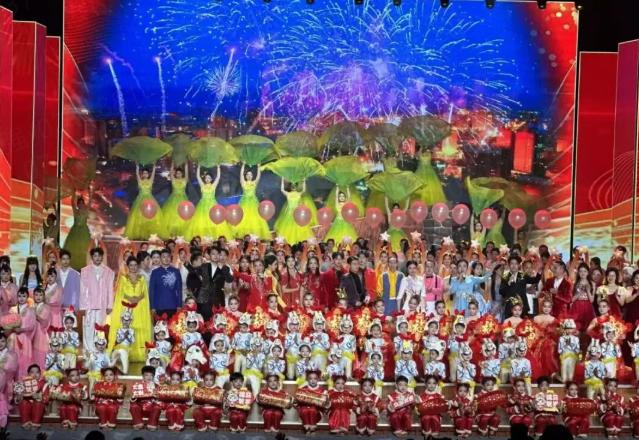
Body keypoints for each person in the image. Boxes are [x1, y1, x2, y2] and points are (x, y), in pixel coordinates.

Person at [108, 256, 152, 362]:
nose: (133, 267)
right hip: (127, 308)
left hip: (139, 307)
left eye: (135, 265)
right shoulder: (123, 278)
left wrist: (137, 299)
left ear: (138, 266)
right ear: (127, 266)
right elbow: (120, 293)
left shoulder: (142, 278)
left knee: (138, 328)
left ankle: (139, 353)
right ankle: (125, 353)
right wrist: (130, 299)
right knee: (128, 327)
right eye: (131, 265)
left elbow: (145, 293)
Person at [80, 247, 115, 353]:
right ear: (92, 257)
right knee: (88, 327)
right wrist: (83, 306)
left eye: (99, 256)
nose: (97, 258)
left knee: (100, 327)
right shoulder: (85, 271)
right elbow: (82, 289)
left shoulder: (109, 272)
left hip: (102, 305)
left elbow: (110, 290)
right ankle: (88, 351)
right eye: (95, 256)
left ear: (102, 257)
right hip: (89, 304)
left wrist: (110, 305)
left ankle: (99, 350)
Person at [124, 162, 164, 240]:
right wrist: (137, 167)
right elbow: (137, 174)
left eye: (146, 173)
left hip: (149, 200)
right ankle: (140, 235)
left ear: (148, 174)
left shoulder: (150, 181)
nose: (145, 174)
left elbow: (153, 174)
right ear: (142, 174)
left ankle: (149, 234)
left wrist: (154, 166)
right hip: (140, 200)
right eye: (144, 173)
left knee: (150, 217)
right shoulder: (140, 181)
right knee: (140, 217)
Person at [235, 164, 271, 240]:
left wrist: (258, 167)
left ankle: (253, 237)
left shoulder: (254, 183)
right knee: (244, 217)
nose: (249, 176)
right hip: (244, 202)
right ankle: (244, 236)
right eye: (247, 174)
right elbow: (241, 175)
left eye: (250, 175)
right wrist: (243, 165)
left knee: (254, 218)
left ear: (252, 176)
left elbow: (258, 176)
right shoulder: (243, 183)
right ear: (246, 176)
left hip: (253, 203)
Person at [149, 248, 182, 316]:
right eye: (163, 257)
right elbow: (152, 290)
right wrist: (152, 307)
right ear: (160, 258)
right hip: (159, 306)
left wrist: (179, 305)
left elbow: (179, 290)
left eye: (168, 256)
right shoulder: (155, 272)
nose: (166, 259)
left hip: (173, 305)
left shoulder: (176, 271)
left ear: (171, 258)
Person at [63, 194, 92, 270]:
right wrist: (73, 192)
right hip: (75, 232)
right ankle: (73, 267)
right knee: (73, 250)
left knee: (83, 249)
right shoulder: (75, 211)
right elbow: (72, 203)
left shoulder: (86, 211)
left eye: (82, 203)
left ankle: (83, 268)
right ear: (78, 204)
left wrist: (90, 192)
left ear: (84, 204)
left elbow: (90, 202)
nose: (81, 204)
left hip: (84, 232)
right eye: (79, 203)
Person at [161, 164, 189, 238]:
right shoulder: (173, 180)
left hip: (183, 200)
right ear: (175, 174)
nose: (178, 174)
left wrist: (186, 164)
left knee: (182, 217)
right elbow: (171, 172)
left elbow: (186, 173)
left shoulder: (184, 180)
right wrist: (172, 164)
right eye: (177, 173)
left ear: (182, 174)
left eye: (180, 173)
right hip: (173, 200)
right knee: (172, 217)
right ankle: (172, 235)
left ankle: (181, 235)